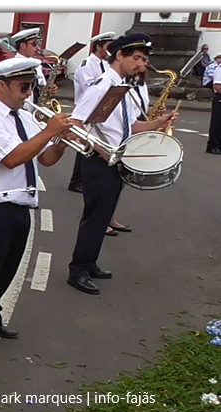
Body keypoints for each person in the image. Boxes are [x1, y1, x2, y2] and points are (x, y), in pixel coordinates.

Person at [0, 58, 72, 354]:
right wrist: (48, 132)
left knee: (7, 271)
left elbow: (44, 159)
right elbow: (11, 158)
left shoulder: (27, 117)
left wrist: (60, 142)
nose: (28, 93)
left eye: (31, 86)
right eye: (23, 86)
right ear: (1, 86)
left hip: (20, 204)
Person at [67, 33, 178, 295]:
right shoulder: (102, 86)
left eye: (144, 59)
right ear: (120, 56)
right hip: (99, 161)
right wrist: (103, 151)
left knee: (104, 214)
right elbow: (77, 122)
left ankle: (89, 262)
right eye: (137, 58)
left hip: (116, 159)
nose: (142, 64)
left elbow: (129, 126)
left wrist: (157, 124)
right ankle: (78, 270)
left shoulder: (123, 87)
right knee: (95, 218)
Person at [68, 31, 115, 194]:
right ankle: (77, 181)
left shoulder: (107, 64)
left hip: (100, 109)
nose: (111, 50)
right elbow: (90, 89)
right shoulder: (87, 65)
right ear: (99, 46)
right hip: (86, 110)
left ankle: (82, 180)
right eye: (108, 46)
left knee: (93, 143)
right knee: (85, 144)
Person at [12, 28, 57, 103]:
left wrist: (49, 90)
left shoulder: (36, 64)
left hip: (34, 107)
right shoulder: (15, 65)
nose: (37, 48)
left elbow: (41, 87)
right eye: (34, 44)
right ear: (23, 45)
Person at [209, 55, 221, 155]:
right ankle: (213, 145)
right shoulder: (220, 69)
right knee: (217, 123)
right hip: (219, 97)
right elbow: (217, 86)